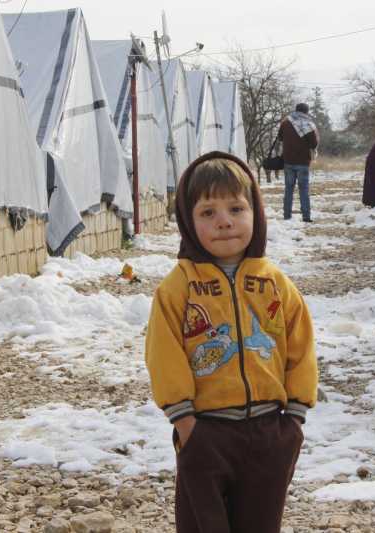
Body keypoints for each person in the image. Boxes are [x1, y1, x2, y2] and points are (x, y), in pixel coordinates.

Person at [145, 151, 318, 533]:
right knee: (201, 524)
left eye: (236, 209)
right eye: (208, 213)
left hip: (270, 431)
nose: (224, 222)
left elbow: (300, 345)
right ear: (189, 223)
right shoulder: (179, 287)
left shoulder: (274, 282)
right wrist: (186, 422)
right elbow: (163, 352)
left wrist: (295, 417)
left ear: (255, 214)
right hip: (206, 431)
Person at [277, 103, 319, 222]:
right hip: (303, 162)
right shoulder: (308, 125)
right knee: (304, 190)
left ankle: (287, 215)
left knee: (288, 189)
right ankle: (306, 216)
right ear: (306, 112)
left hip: (288, 161)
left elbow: (280, 138)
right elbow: (314, 144)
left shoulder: (285, 123)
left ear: (295, 110)